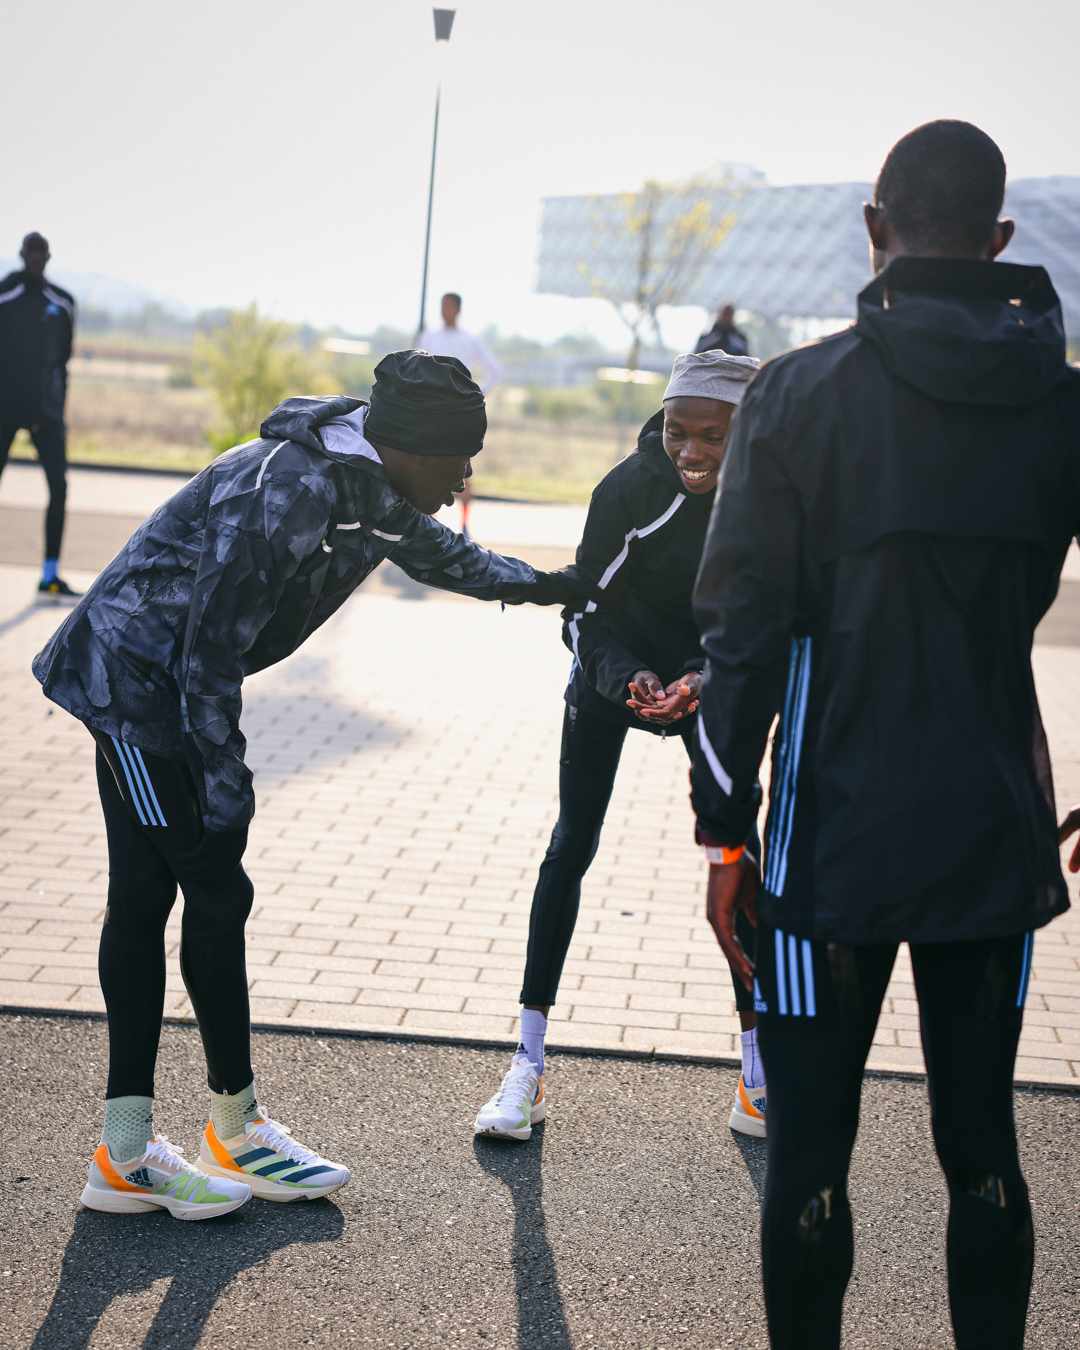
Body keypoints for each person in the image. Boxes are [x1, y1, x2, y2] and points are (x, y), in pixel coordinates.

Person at [32, 351, 589, 1221]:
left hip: (171, 686)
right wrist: (226, 785)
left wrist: (552, 585)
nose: (468, 473)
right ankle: (171, 1145)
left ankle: (165, 1142)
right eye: (460, 457)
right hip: (133, 684)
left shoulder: (369, 482)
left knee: (161, 896)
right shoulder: (292, 488)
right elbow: (208, 646)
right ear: (409, 448)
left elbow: (441, 555)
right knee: (208, 890)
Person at [689, 120, 1080, 1349]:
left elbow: (738, 644)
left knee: (810, 1155)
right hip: (994, 834)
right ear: (1001, 239)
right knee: (984, 1151)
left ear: (876, 232)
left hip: (828, 845)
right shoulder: (1065, 408)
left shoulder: (797, 395)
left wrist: (723, 837)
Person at [473, 350, 767, 1142]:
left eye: (712, 435)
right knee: (570, 845)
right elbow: (583, 609)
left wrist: (702, 678)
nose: (691, 450)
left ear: (745, 430)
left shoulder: (769, 497)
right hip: (619, 676)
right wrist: (628, 673)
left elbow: (765, 618)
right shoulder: (628, 489)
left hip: (709, 684)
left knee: (740, 859)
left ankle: (758, 1067)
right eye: (677, 430)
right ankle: (526, 1067)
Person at [0, 232, 79, 598]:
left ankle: (50, 574)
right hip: (4, 407)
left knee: (59, 488)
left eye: (40, 252)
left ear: (47, 256)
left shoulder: (63, 302)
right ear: (21, 255)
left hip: (45, 412)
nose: (35, 258)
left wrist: (58, 402)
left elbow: (63, 361)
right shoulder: (5, 293)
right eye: (29, 252)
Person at [418, 294, 504, 538]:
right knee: (427, 466)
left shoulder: (470, 340)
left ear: (457, 309)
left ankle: (465, 524)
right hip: (431, 413)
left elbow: (496, 371)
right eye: (441, 305)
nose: (444, 310)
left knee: (461, 468)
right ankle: (429, 522)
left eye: (448, 305)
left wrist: (474, 395)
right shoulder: (428, 338)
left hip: (457, 414)